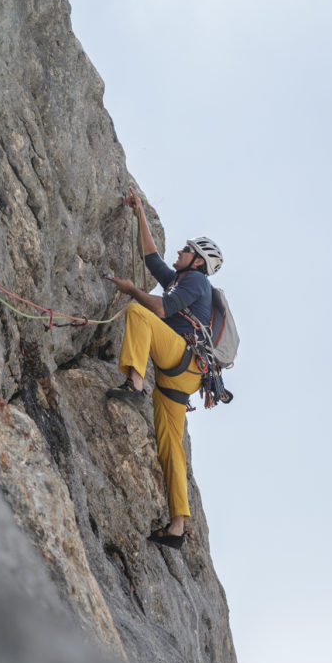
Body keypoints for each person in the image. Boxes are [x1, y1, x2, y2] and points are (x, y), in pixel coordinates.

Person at [106, 189, 224, 549]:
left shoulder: (196, 282)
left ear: (199, 262)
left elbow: (160, 309)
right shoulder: (178, 276)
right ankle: (178, 525)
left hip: (183, 358)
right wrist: (139, 211)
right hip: (180, 377)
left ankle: (135, 383)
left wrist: (132, 291)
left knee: (139, 311)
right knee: (171, 446)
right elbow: (151, 255)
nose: (179, 252)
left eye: (187, 251)